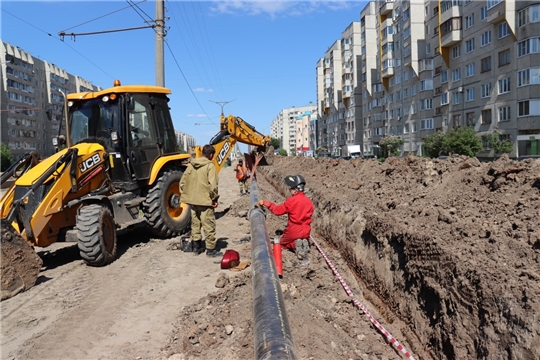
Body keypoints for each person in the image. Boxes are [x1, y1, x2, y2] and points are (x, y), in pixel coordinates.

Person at [179, 144, 223, 257]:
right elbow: (213, 185)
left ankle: (196, 248)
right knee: (209, 225)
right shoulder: (210, 166)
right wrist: (214, 199)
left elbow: (182, 183)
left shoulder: (191, 165)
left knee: (195, 224)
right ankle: (210, 250)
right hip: (205, 201)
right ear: (211, 155)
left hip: (193, 201)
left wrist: (189, 195)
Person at [258, 174, 314, 259]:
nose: (290, 190)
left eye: (291, 188)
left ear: (296, 190)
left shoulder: (291, 201)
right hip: (306, 231)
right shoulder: (309, 202)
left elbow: (277, 211)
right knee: (293, 238)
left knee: (281, 244)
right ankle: (301, 242)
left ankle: (294, 244)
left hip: (294, 231)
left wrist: (267, 203)